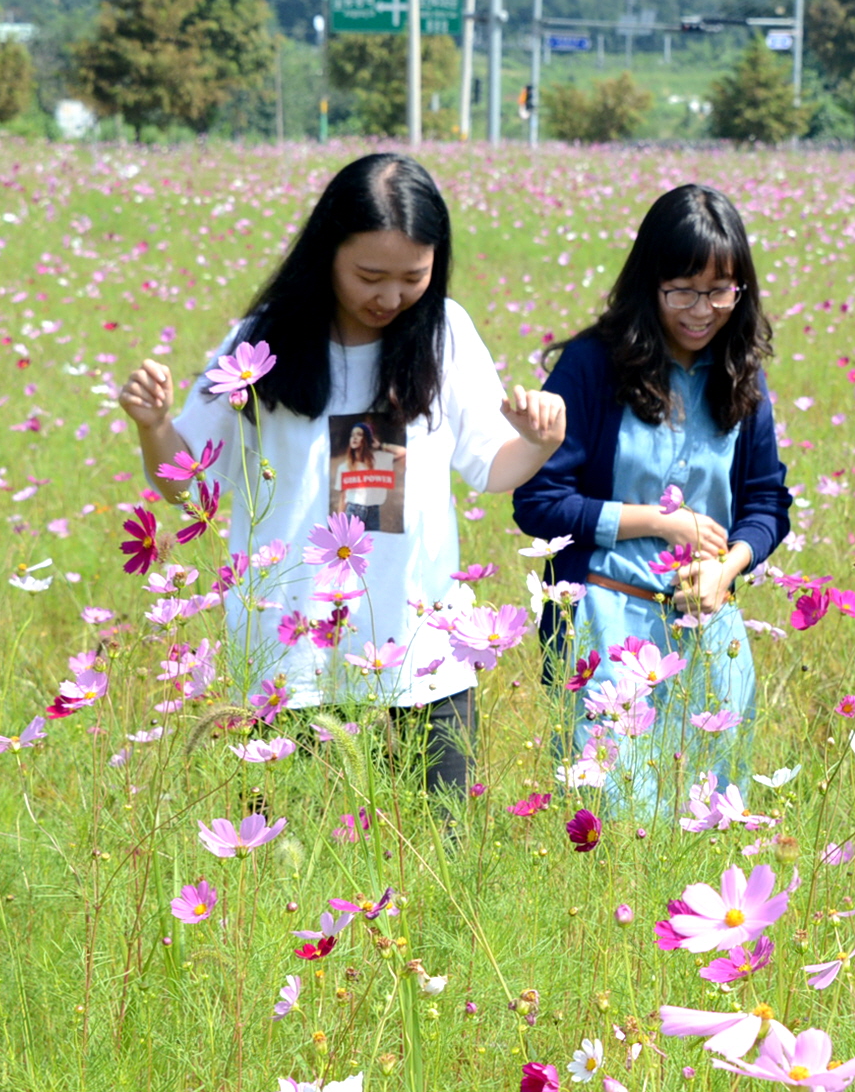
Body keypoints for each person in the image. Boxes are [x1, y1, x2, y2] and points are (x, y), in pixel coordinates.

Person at [117, 152, 567, 797]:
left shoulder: (444, 334)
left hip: (422, 658)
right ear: (327, 254)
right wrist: (153, 424)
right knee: (289, 869)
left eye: (413, 276)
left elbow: (493, 468)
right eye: (369, 275)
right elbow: (186, 481)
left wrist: (538, 442)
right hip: (291, 664)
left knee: (440, 857)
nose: (390, 297)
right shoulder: (260, 343)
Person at [514, 183, 792, 812]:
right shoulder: (592, 367)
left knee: (707, 819)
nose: (703, 310)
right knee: (614, 821)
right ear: (649, 284)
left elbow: (767, 503)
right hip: (604, 625)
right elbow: (538, 500)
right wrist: (664, 523)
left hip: (709, 634)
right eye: (683, 291)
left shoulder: (740, 371)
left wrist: (728, 564)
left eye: (721, 291)